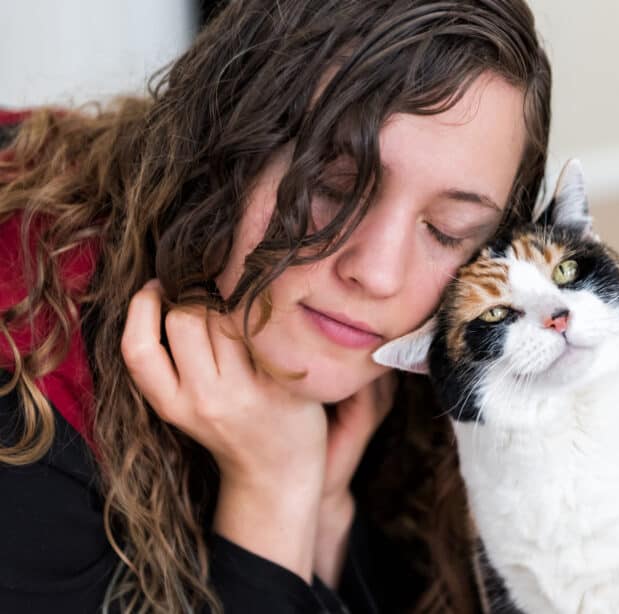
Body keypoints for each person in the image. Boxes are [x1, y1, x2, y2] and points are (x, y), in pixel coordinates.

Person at [0, 1, 551, 612]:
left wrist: (324, 514)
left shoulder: (414, 367)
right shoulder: (26, 410)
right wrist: (274, 491)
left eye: (448, 230)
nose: (377, 272)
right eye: (334, 188)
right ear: (221, 148)